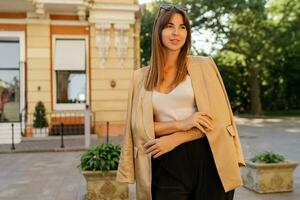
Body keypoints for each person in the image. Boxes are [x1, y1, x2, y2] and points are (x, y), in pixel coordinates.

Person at [117, 4, 245, 200]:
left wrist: (176, 138)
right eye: (169, 26)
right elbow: (140, 127)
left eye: (183, 27)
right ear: (158, 31)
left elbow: (218, 119)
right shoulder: (140, 78)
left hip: (210, 157)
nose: (176, 32)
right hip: (165, 162)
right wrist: (181, 124)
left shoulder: (205, 66)